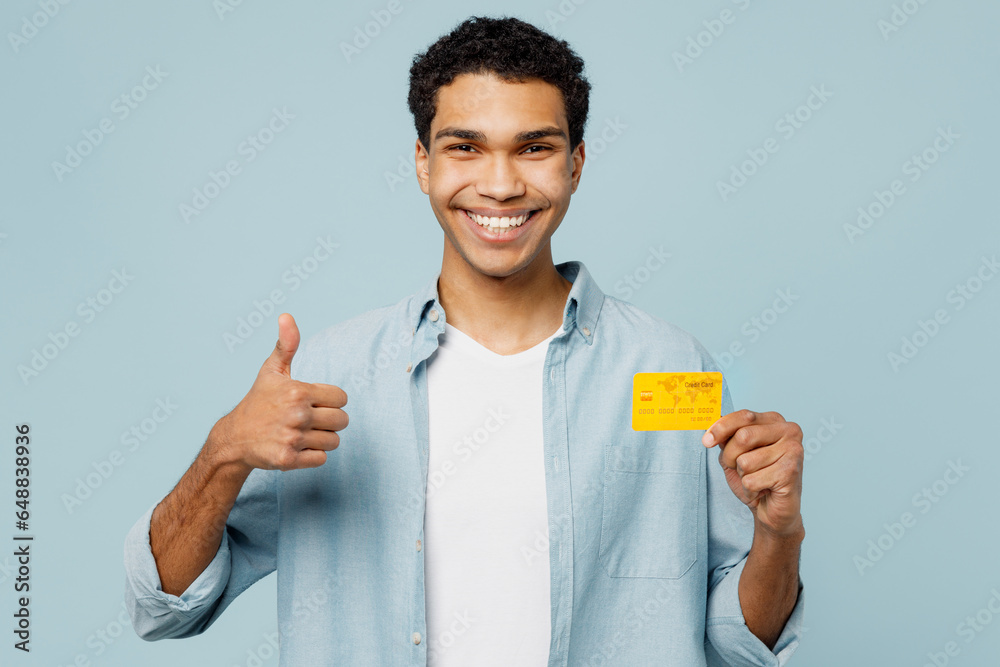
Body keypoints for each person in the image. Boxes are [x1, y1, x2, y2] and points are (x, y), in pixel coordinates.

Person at [124, 15, 805, 666]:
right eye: (465, 146)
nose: (502, 185)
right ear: (423, 163)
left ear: (576, 163)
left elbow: (742, 641)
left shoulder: (669, 368)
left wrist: (779, 532)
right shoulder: (331, 377)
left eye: (534, 147)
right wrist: (224, 452)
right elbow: (163, 606)